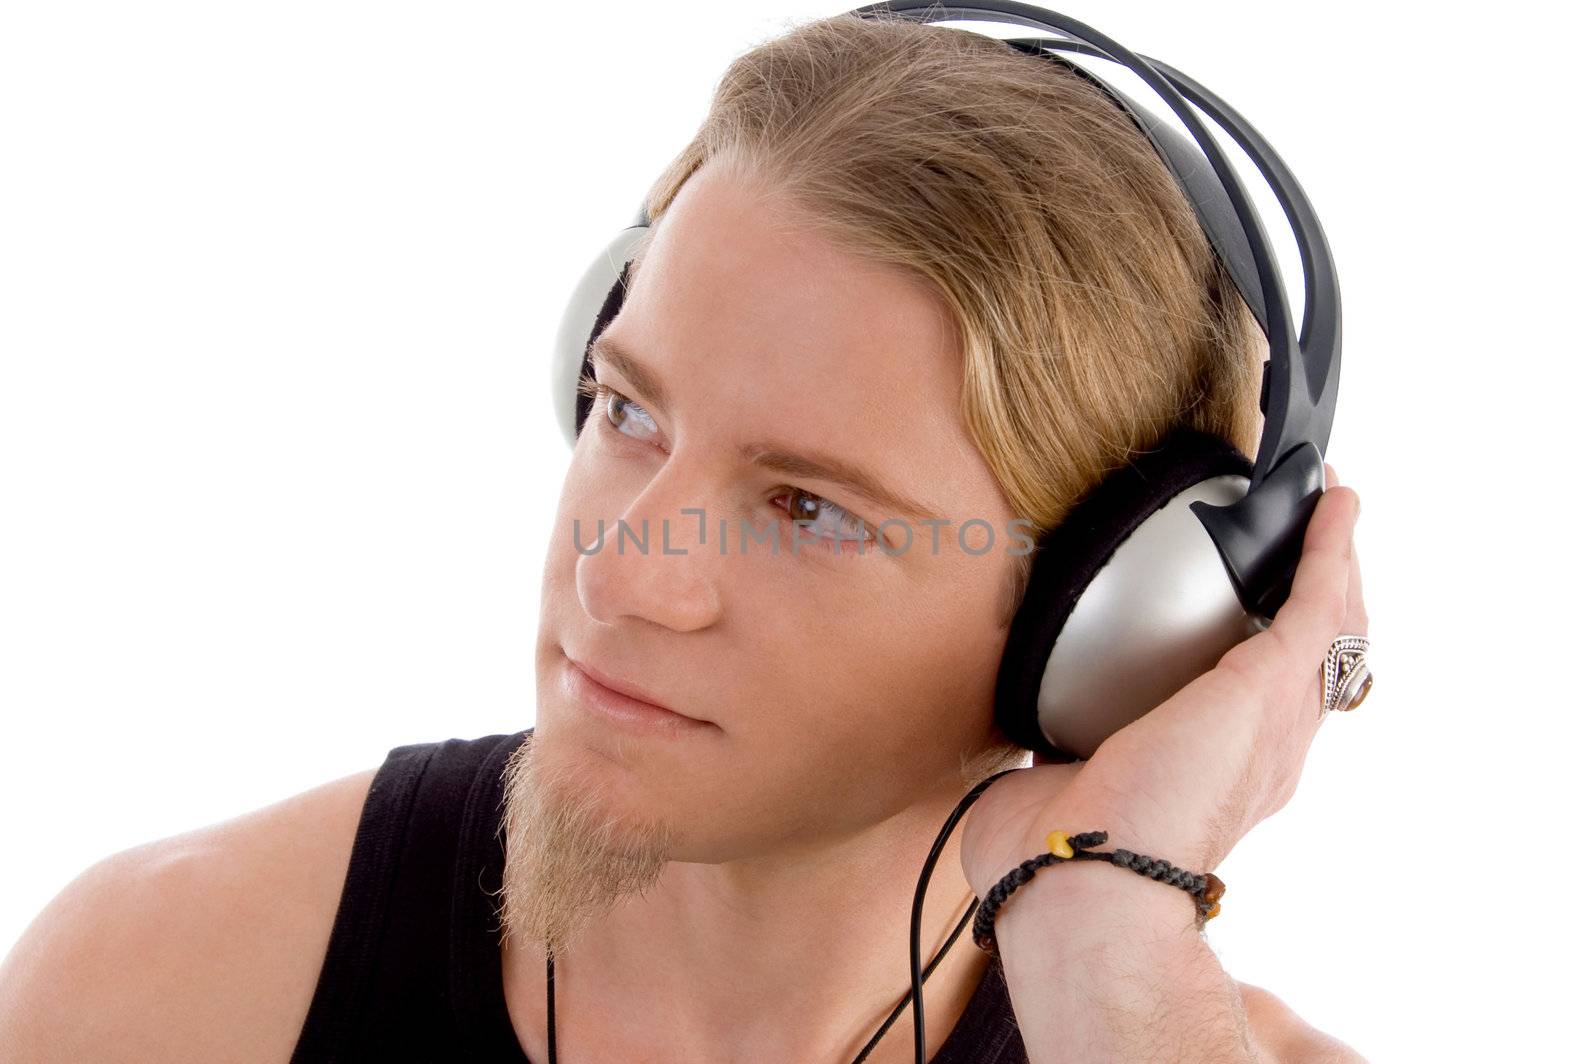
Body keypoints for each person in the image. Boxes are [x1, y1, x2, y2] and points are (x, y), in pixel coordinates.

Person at [0, 12, 1367, 1062]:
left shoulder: (1157, 1027)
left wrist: (1109, 934)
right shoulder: (161, 988)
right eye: (628, 410)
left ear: (1116, 633)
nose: (619, 574)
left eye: (808, 506)